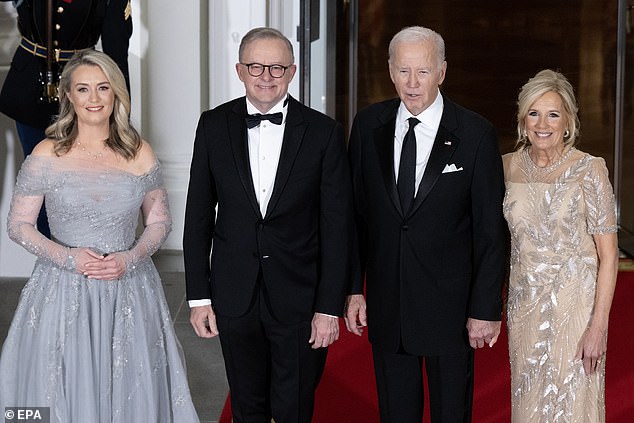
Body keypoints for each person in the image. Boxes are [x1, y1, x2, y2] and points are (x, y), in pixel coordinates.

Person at [0, 50, 199, 422]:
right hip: (62, 286)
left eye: (103, 88)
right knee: (56, 389)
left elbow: (159, 222)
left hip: (130, 287)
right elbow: (19, 224)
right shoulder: (46, 154)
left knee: (131, 387)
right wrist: (70, 258)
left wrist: (131, 257)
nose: (94, 98)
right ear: (69, 97)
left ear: (116, 95)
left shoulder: (139, 153)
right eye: (83, 89)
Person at [183, 27, 353, 423]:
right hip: (234, 294)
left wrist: (329, 307)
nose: (266, 76)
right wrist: (198, 296)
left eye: (276, 67)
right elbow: (198, 217)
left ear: (292, 72)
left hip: (300, 297)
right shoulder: (213, 125)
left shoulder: (323, 133)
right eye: (256, 66)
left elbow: (337, 227)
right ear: (240, 70)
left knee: (293, 406)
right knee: (246, 406)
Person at [345, 26, 507, 422]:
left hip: (451, 311)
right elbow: (355, 219)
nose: (412, 83)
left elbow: (490, 230)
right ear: (389, 70)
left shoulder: (476, 134)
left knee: (452, 414)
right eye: (403, 71)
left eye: (422, 72)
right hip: (388, 306)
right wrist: (352, 290)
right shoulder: (367, 127)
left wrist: (486, 309)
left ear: (442, 71)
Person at [503, 69, 618, 422]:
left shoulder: (589, 169)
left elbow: (609, 256)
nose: (543, 123)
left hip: (576, 311)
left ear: (568, 121)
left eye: (553, 114)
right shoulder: (506, 168)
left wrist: (598, 327)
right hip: (525, 310)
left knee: (574, 407)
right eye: (534, 113)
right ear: (523, 121)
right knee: (528, 409)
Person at [0, 0, 133, 238]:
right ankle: (52, 263)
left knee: (83, 184)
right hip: (31, 87)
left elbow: (116, 53)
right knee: (40, 183)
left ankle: (85, 259)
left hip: (83, 93)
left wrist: (120, 112)